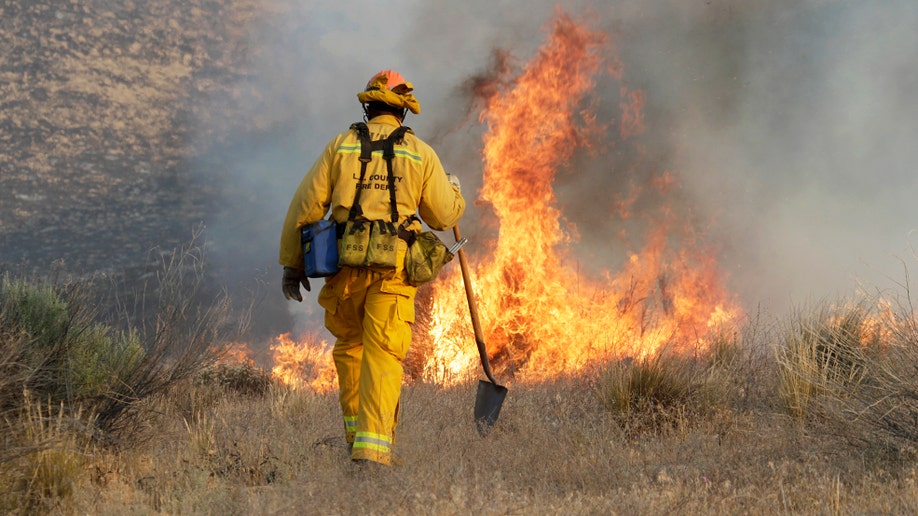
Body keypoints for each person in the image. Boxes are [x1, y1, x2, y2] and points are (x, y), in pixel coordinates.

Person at [278, 70, 465, 467]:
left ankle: (354, 438)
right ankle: (373, 454)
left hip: (344, 266)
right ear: (403, 112)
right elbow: (444, 216)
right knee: (382, 354)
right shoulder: (420, 153)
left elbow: (306, 208)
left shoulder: (341, 146)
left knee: (350, 350)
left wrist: (292, 265)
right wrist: (455, 191)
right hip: (392, 272)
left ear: (368, 106)